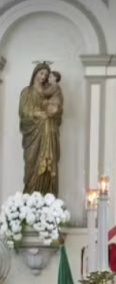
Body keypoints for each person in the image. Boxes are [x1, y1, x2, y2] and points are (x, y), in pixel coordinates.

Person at [19, 62, 62, 195]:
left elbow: (58, 111)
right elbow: (23, 112)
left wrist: (53, 111)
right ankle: (30, 195)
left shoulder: (51, 92)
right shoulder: (27, 92)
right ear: (35, 73)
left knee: (48, 168)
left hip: (48, 132)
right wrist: (38, 114)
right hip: (33, 135)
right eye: (41, 73)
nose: (43, 77)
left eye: (46, 75)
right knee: (32, 164)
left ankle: (47, 198)